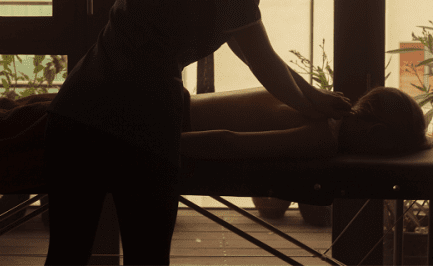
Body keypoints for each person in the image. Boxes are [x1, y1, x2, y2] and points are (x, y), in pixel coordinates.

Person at [43, 0, 353, 265]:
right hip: (140, 121)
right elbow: (260, 59)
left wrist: (314, 96)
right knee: (148, 258)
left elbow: (245, 48)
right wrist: (314, 109)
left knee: (66, 255)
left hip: (80, 108)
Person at [180, 85, 433, 159]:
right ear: (377, 134)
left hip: (174, 102)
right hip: (169, 122)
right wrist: (159, 145)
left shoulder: (318, 99)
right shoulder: (322, 136)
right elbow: (229, 143)